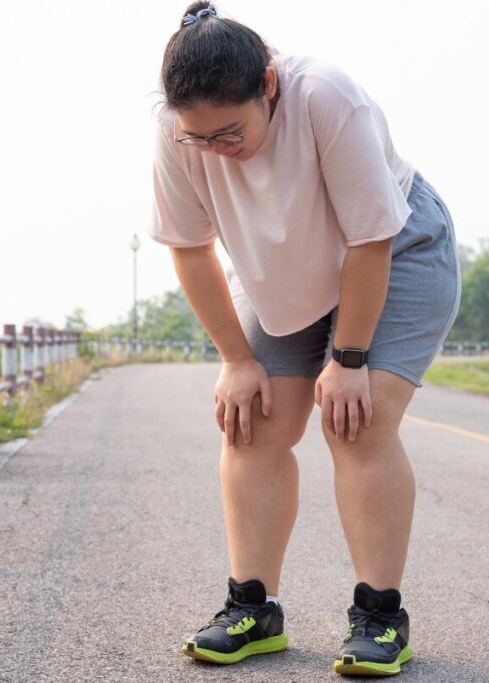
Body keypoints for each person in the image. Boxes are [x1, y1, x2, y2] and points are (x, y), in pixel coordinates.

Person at [148, 2, 460, 677]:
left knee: (357, 421)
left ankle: (380, 618)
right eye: (200, 139)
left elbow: (372, 238)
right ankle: (253, 609)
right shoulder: (177, 133)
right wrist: (236, 359)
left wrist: (348, 359)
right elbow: (190, 248)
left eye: (229, 132)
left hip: (393, 252)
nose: (216, 150)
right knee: (249, 423)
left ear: (267, 83)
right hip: (289, 275)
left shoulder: (324, 95)